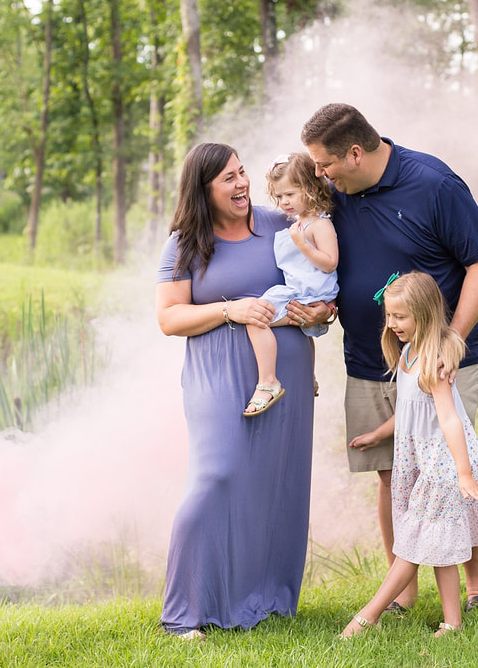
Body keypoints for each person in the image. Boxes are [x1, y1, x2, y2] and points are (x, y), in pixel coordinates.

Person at [291, 103, 478, 613]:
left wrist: (449, 339)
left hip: (441, 361)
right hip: (368, 358)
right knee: (392, 473)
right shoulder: (334, 196)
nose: (320, 175)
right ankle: (402, 592)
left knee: (451, 469)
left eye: (325, 164)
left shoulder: (434, 184)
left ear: (356, 153)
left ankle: (477, 591)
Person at [155, 143, 315, 640]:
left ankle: (263, 600)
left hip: (283, 373)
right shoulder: (185, 242)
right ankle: (184, 614)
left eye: (242, 173)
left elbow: (315, 278)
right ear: (203, 189)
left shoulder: (276, 223)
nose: (242, 183)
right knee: (217, 474)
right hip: (215, 373)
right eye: (228, 177)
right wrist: (232, 309)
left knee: (275, 484)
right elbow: (169, 317)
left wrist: (319, 310)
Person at [339, 271, 478, 638]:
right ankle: (452, 623)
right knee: (437, 542)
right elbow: (408, 409)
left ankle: (366, 617)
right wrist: (378, 434)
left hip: (443, 464)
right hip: (418, 462)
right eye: (389, 316)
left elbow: (449, 419)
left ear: (424, 313)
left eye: (400, 317)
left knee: (414, 547)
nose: (392, 324)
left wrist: (463, 474)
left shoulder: (433, 362)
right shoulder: (407, 353)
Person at [244, 152, 339, 416]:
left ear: (310, 188)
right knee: (303, 333)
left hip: (309, 292)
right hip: (299, 289)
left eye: (290, 194)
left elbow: (330, 263)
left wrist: (301, 244)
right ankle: (309, 377)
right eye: (279, 196)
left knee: (256, 317)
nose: (284, 202)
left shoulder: (319, 224)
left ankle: (268, 381)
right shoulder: (301, 223)